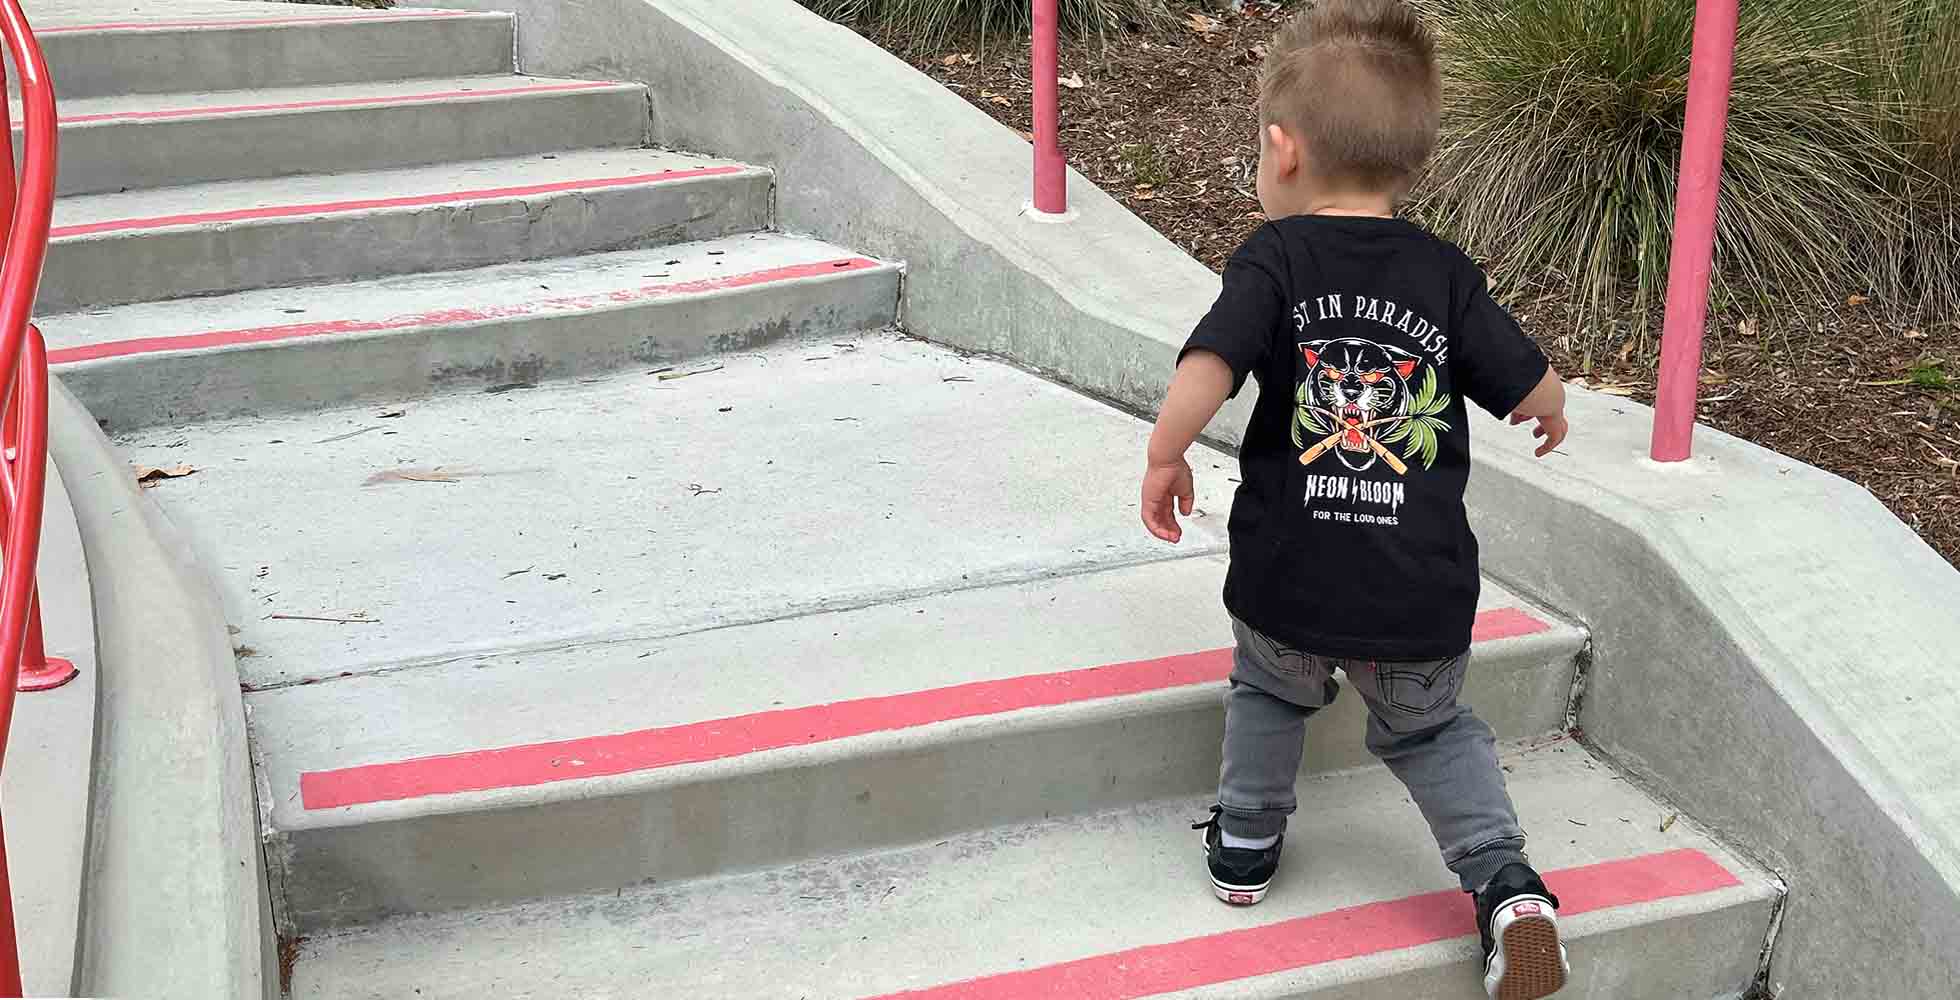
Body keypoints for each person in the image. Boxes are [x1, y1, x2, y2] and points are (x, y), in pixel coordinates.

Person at [1138, 2, 1572, 997]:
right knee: (1430, 729)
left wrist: (1165, 453)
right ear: (1409, 161)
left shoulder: (1274, 259)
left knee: (1268, 691)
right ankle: (1505, 884)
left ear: (1282, 150)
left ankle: (1246, 842)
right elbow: (1528, 381)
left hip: (1289, 576)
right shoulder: (1443, 273)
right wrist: (1550, 409)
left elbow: (1211, 363)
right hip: (1415, 589)